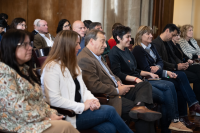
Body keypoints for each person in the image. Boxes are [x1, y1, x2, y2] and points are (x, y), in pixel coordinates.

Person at [41, 30, 134, 133]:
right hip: (68, 115)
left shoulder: (73, 65)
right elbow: (53, 99)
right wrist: (83, 106)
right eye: (76, 44)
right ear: (67, 45)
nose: (79, 47)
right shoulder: (52, 67)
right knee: (110, 110)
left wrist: (94, 101)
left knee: (109, 128)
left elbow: (84, 90)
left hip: (81, 110)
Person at [109, 25, 192, 133]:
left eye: (130, 36)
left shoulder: (127, 51)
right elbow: (118, 73)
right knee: (166, 93)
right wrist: (135, 79)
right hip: (134, 84)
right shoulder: (114, 52)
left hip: (141, 81)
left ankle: (171, 124)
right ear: (118, 38)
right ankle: (171, 124)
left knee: (170, 88)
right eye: (127, 37)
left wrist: (149, 73)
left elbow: (136, 70)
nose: (130, 39)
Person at [78, 29, 162, 133]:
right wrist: (117, 90)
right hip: (110, 97)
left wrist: (117, 81)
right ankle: (140, 108)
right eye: (102, 41)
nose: (105, 45)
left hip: (118, 89)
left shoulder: (97, 55)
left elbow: (112, 74)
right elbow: (94, 86)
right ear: (91, 41)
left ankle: (140, 106)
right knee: (143, 114)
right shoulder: (85, 59)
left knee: (144, 85)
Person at [0, 29, 79, 133]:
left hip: (34, 121)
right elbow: (17, 107)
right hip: (17, 125)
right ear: (11, 46)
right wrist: (46, 118)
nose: (30, 48)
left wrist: (51, 113)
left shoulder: (24, 69)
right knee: (66, 127)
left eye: (30, 44)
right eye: (25, 44)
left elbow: (39, 101)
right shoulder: (3, 71)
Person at [132, 26, 197, 131]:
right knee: (175, 84)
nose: (151, 36)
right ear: (140, 35)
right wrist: (164, 71)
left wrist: (157, 67)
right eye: (148, 34)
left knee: (180, 82)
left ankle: (181, 116)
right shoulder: (138, 49)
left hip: (159, 73)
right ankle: (175, 120)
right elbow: (146, 69)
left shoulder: (151, 46)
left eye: (151, 34)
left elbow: (160, 61)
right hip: (149, 78)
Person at [152, 24, 200, 116]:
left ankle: (189, 110)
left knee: (186, 76)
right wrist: (176, 66)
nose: (174, 37)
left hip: (169, 69)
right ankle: (192, 106)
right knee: (181, 77)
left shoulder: (167, 42)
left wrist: (180, 64)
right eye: (173, 35)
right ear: (167, 31)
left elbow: (173, 57)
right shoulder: (156, 43)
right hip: (163, 73)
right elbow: (160, 62)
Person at [170, 31, 200, 107]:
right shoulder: (169, 46)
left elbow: (183, 56)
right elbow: (173, 59)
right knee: (197, 76)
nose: (178, 37)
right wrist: (182, 63)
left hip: (183, 65)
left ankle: (196, 104)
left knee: (198, 70)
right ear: (171, 36)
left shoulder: (177, 45)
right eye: (176, 35)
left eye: (179, 35)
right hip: (175, 68)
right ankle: (195, 104)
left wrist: (187, 61)